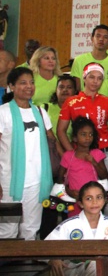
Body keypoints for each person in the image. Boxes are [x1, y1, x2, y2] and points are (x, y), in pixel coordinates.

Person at [57, 63, 108, 219]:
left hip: (106, 154)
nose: (95, 81)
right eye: (91, 77)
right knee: (81, 197)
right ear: (84, 78)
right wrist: (72, 153)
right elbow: (61, 131)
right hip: (80, 157)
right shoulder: (71, 102)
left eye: (99, 78)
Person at [0, 67, 54, 240]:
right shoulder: (3, 112)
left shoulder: (40, 112)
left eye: (31, 82)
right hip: (9, 181)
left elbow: (52, 142)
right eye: (23, 83)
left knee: (31, 229)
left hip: (37, 181)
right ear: (11, 86)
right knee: (7, 230)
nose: (29, 86)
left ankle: (26, 264)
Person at [45, 181, 108, 275]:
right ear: (80, 203)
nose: (94, 202)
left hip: (107, 271)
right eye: (89, 198)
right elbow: (46, 246)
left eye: (99, 197)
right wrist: (54, 258)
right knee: (95, 264)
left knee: (99, 265)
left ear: (105, 200)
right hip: (75, 271)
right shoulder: (69, 225)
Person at [58, 117, 108, 217]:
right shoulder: (68, 156)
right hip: (74, 200)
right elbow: (60, 180)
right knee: (75, 224)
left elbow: (105, 176)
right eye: (83, 134)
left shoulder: (96, 154)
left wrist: (94, 162)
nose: (88, 137)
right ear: (75, 138)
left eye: (91, 134)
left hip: (93, 200)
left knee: (93, 221)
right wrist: (69, 192)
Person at [70, 24, 108, 91]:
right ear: (92, 38)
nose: (101, 39)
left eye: (105, 37)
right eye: (98, 36)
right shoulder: (79, 60)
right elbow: (77, 89)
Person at [44, 74, 77, 143]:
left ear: (75, 91)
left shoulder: (79, 110)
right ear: (56, 90)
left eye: (69, 87)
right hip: (49, 150)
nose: (65, 90)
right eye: (61, 87)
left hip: (71, 150)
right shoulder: (44, 108)